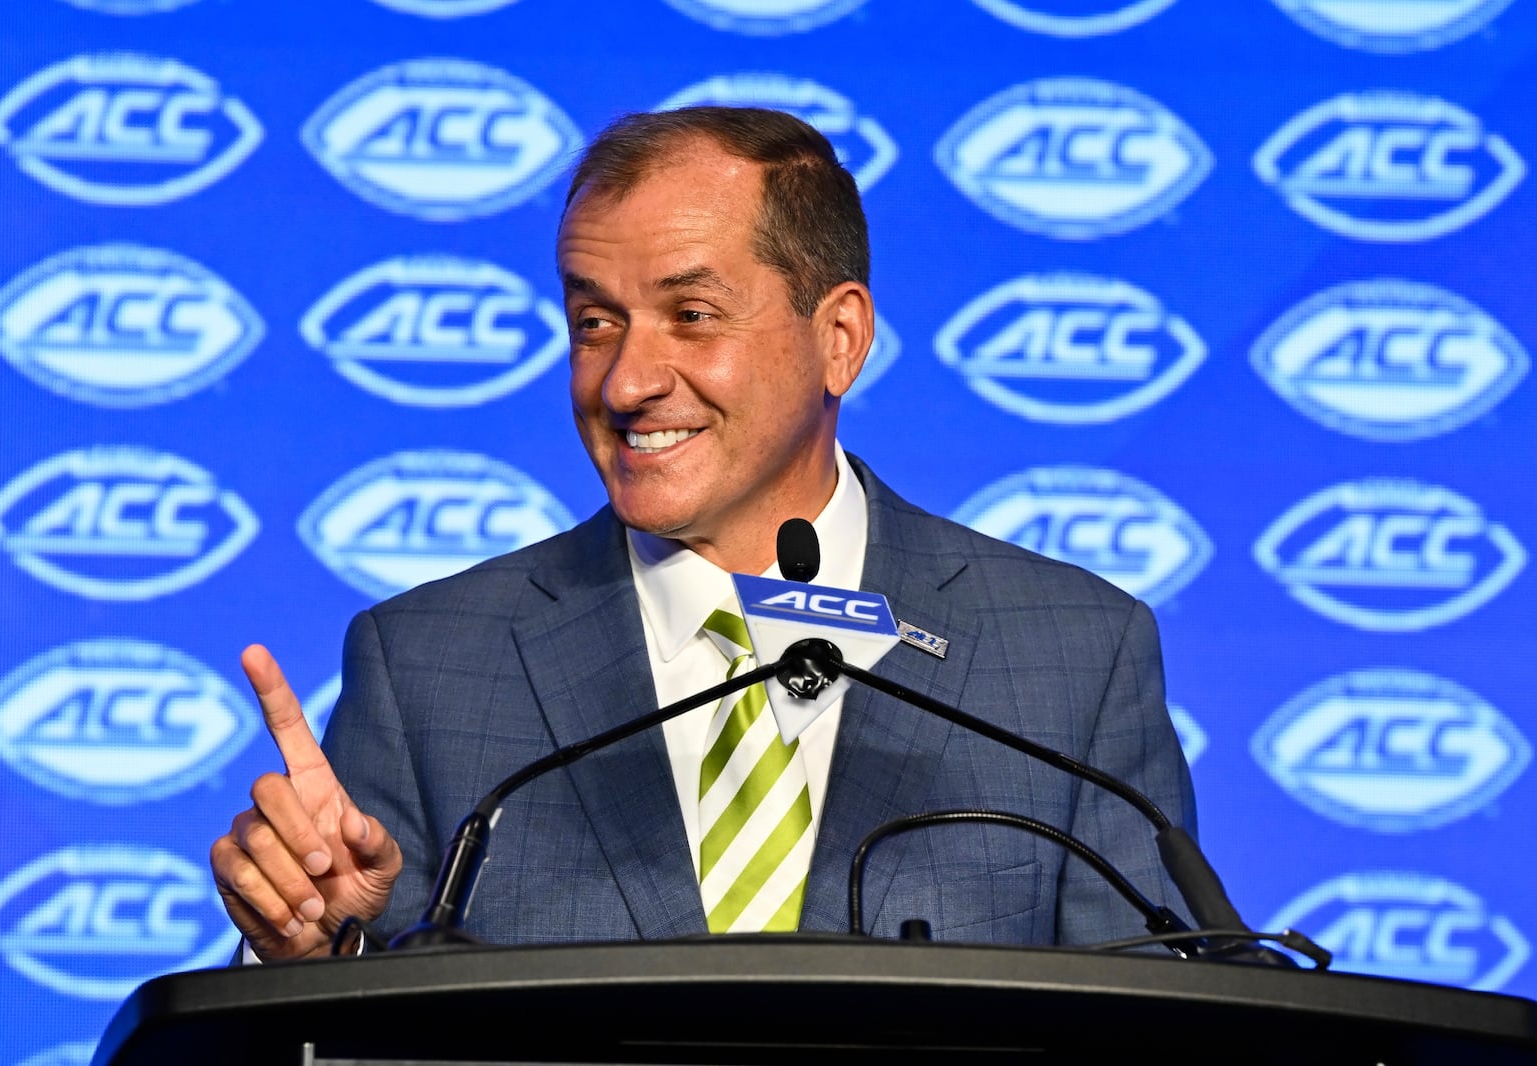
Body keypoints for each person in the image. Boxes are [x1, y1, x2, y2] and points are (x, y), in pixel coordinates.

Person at [210, 107, 1196, 961]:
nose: (626, 382)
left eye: (690, 315)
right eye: (595, 323)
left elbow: (1156, 1035)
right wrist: (317, 951)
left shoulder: (1070, 656)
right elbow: (345, 1033)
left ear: (838, 338)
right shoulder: (429, 666)